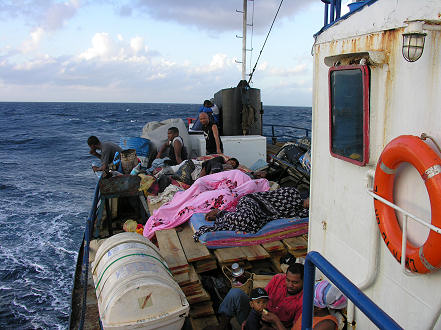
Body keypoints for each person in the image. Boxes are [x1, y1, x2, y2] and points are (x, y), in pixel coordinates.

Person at [193, 187, 309, 241]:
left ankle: (222, 215)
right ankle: (221, 214)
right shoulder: (292, 192)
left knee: (247, 221)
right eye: (310, 201)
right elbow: (270, 196)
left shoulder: (299, 211)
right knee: (245, 219)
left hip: (260, 214)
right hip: (252, 202)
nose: (310, 204)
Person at [217, 263, 305, 329]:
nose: (290, 285)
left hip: (276, 327)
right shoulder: (278, 279)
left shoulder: (304, 301)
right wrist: (249, 318)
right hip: (257, 316)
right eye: (288, 280)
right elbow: (260, 297)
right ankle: (223, 325)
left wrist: (275, 320)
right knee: (235, 293)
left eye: (295, 282)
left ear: (304, 281)